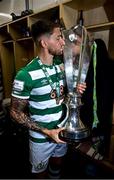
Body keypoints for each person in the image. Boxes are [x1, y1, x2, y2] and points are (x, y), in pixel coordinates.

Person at [10, 19, 86, 179]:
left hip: (61, 130)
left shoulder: (61, 65)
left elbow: (80, 51)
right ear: (44, 43)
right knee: (40, 173)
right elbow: (15, 113)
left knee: (57, 164)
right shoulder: (26, 75)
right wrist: (46, 131)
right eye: (58, 38)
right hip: (41, 137)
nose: (62, 42)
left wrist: (74, 90)